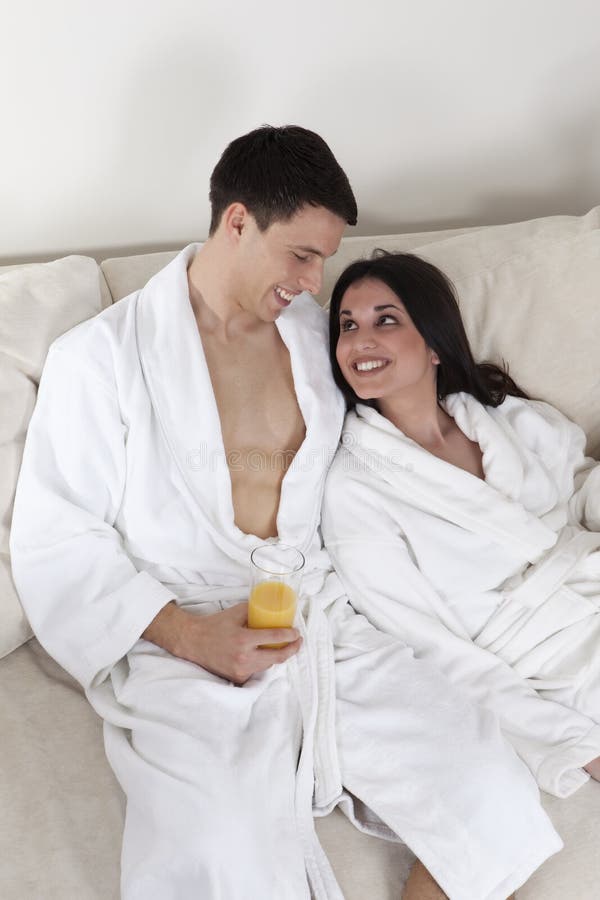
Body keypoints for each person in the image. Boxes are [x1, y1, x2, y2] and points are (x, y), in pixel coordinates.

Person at [10, 128, 561, 900]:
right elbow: (58, 539)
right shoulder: (100, 359)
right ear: (237, 222)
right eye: (301, 255)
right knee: (218, 851)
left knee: (488, 783)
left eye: (325, 259)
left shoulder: (317, 339)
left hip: (324, 612)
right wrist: (192, 635)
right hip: (188, 623)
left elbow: (410, 420)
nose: (315, 282)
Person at [323, 250, 600, 808]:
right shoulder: (353, 489)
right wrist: (575, 745)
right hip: (552, 665)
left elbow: (582, 490)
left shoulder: (508, 419)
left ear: (433, 344)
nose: (359, 341)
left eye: (386, 319)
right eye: (347, 326)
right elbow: (430, 648)